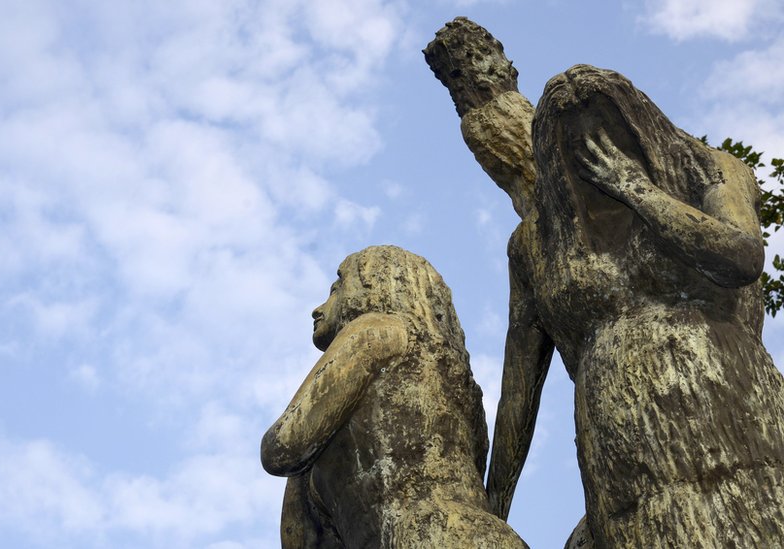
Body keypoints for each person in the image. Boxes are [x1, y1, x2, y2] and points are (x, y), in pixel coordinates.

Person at [489, 64, 784, 547]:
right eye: (574, 146)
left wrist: (635, 189)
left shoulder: (706, 169)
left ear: (639, 125)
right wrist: (493, 508)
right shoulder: (534, 243)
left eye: (608, 133)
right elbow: (519, 385)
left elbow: (741, 256)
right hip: (621, 452)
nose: (593, 152)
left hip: (729, 410)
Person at [261, 245, 526, 548]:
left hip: (424, 535)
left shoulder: (374, 331)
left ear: (370, 285)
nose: (318, 308)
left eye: (336, 290)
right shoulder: (460, 388)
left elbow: (281, 448)